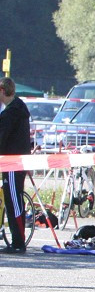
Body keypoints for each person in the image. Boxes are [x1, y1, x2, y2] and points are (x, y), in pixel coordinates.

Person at [0, 78, 33, 253]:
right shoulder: (19, 108)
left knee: (14, 202)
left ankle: (18, 242)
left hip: (12, 163)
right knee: (14, 200)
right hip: (18, 161)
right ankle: (17, 240)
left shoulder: (10, 114)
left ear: (2, 91)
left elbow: (2, 140)